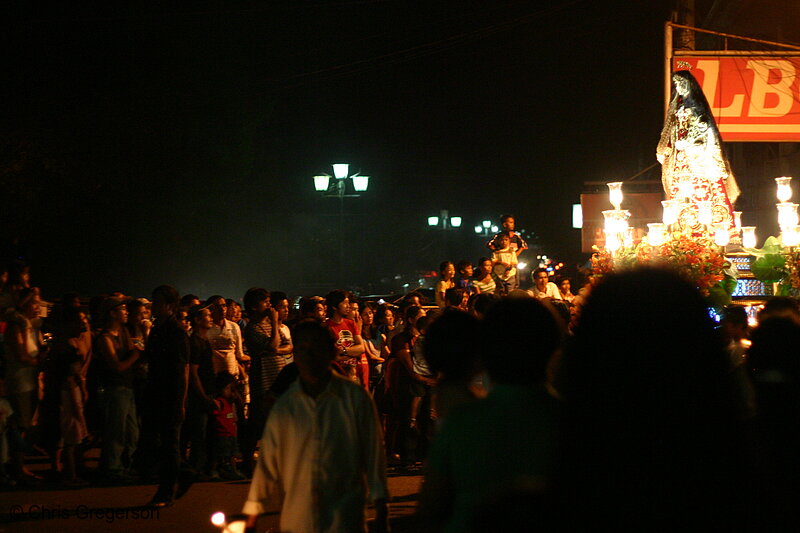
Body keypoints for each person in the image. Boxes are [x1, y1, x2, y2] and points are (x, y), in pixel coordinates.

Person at [416, 298, 563, 533]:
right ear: (554, 347)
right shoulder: (577, 422)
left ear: (485, 350)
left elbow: (431, 507)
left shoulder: (462, 423)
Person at [242, 320, 389, 533]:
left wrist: (382, 507)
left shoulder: (354, 397)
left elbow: (373, 453)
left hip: (345, 516)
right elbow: (268, 461)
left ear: (330, 351)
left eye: (316, 348)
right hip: (299, 518)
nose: (309, 355)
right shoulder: (286, 405)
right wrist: (253, 511)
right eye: (302, 349)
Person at [657, 70, 740, 237]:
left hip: (698, 159)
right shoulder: (676, 106)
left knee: (703, 191)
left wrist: (688, 143)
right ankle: (683, 231)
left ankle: (711, 230)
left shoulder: (697, 106)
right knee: (680, 194)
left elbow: (706, 131)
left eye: (682, 83)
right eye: (677, 84)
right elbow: (669, 131)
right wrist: (663, 148)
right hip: (679, 160)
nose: (679, 87)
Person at [141, 285, 190, 508]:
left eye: (157, 302)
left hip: (170, 393)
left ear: (169, 305)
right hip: (155, 391)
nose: (153, 306)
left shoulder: (176, 331)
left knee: (170, 443)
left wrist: (180, 401)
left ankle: (166, 492)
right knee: (160, 441)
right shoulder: (157, 328)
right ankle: (187, 472)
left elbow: (182, 370)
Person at [95, 297, 141, 481]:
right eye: (122, 309)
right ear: (112, 313)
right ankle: (112, 469)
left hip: (127, 388)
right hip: (114, 388)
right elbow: (117, 366)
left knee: (132, 432)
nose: (126, 312)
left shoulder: (123, 332)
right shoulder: (105, 338)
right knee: (116, 431)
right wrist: (137, 355)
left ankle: (125, 466)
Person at [210, 372, 245, 481]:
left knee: (231, 455)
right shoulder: (219, 402)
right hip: (222, 433)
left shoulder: (231, 402)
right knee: (219, 454)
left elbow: (241, 403)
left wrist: (235, 392)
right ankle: (213, 471)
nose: (230, 392)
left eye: (232, 389)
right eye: (228, 388)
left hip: (231, 433)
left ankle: (233, 471)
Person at [486, 215, 528, 291]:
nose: (513, 224)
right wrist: (498, 252)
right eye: (511, 222)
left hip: (512, 263)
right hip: (500, 265)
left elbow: (523, 246)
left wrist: (515, 255)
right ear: (504, 224)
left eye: (513, 223)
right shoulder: (498, 236)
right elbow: (489, 245)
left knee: (514, 282)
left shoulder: (516, 236)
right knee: (500, 284)